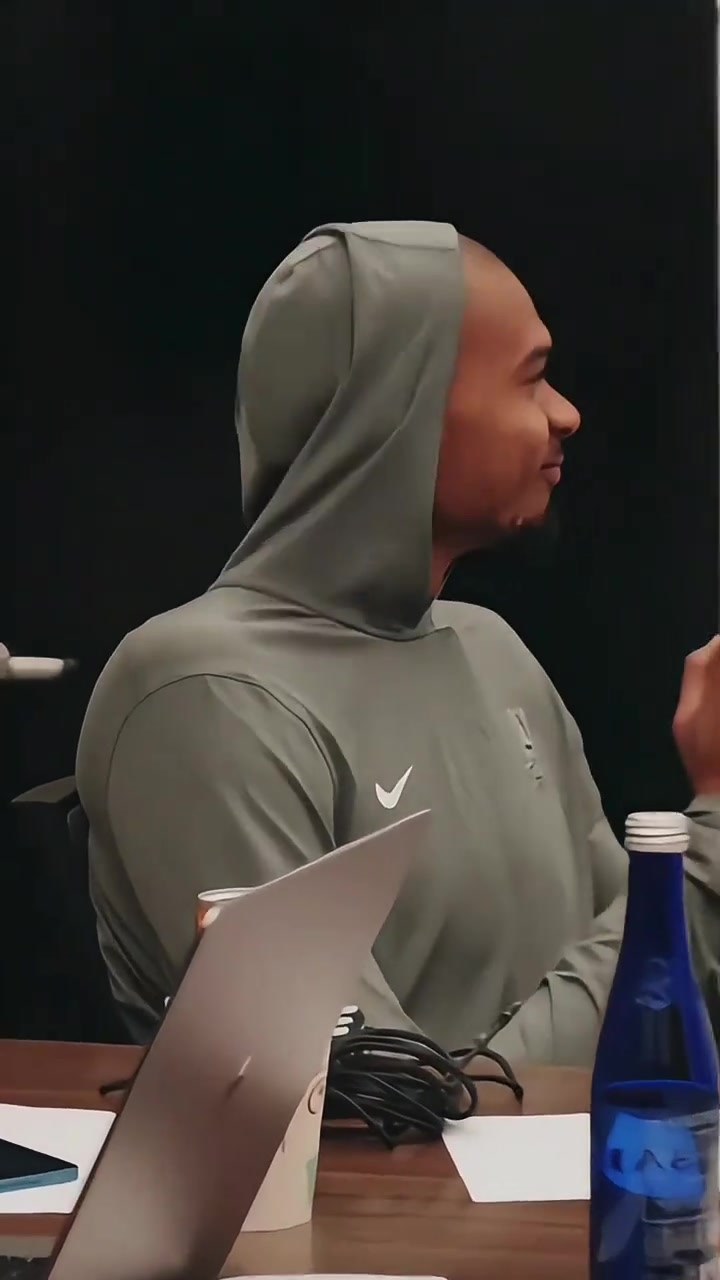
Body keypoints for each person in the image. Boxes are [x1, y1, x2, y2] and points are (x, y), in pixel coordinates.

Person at [76, 220, 720, 1058]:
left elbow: (650, 983)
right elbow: (384, 1104)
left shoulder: (492, 651)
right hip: (409, 1162)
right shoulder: (204, 696)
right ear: (396, 411)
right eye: (530, 379)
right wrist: (710, 839)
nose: (566, 413)